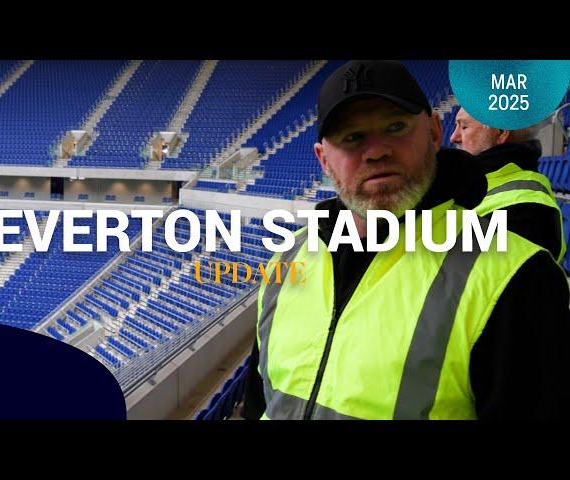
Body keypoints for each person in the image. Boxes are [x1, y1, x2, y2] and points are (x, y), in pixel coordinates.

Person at [240, 60, 570, 420]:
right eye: (352, 137)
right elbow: (261, 404)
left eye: (395, 127)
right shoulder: (286, 259)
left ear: (432, 132)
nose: (377, 151)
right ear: (323, 159)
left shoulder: (517, 278)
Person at [450, 107, 565, 262]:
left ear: (501, 131)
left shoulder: (526, 209)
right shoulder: (474, 182)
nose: (453, 137)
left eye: (464, 127)